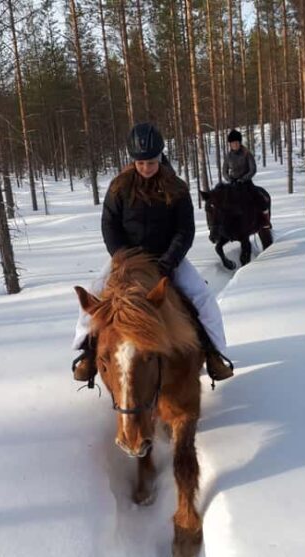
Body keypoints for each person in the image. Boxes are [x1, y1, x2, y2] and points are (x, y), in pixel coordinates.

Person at [72, 122, 234, 383]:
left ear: (160, 157)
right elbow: (109, 225)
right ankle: (87, 353)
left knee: (203, 299)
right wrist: (122, 258)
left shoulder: (177, 188)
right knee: (94, 298)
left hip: (167, 259)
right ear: (133, 160)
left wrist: (168, 262)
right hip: (125, 260)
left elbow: (185, 229)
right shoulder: (119, 187)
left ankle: (214, 353)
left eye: (151, 162)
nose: (146, 168)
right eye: (140, 163)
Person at [220, 130, 271, 231]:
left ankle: (265, 220)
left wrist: (243, 179)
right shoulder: (228, 156)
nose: (235, 145)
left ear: (239, 142)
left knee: (259, 198)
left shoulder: (247, 153)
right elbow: (224, 171)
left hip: (246, 183)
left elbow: (253, 169)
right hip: (233, 183)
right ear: (230, 144)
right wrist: (229, 179)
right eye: (232, 143)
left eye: (236, 142)